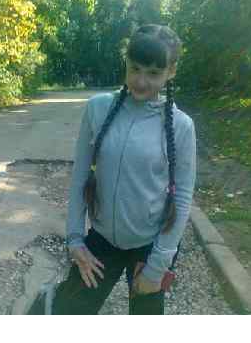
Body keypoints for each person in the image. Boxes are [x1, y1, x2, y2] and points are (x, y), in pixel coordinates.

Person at [48, 24, 197, 315]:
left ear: (171, 71)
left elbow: (182, 198)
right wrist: (75, 240)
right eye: (134, 68)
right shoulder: (97, 108)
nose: (140, 81)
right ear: (126, 62)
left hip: (150, 248)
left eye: (153, 73)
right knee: (66, 311)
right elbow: (80, 177)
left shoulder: (182, 126)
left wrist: (157, 267)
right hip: (101, 240)